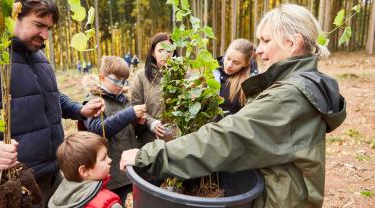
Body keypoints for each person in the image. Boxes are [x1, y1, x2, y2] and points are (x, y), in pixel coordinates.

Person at [120, 4, 346, 208]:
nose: (258, 49)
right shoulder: (298, 84)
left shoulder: (290, 96)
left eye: (266, 41)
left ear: (292, 43)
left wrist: (148, 156)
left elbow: (226, 139)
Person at [0, 0, 104, 206]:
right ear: (13, 16)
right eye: (39, 25)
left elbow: (49, 96)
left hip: (53, 179)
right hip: (12, 189)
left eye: (49, 28)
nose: (45, 35)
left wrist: (80, 110)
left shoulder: (39, 57)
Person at [82, 56, 146, 204]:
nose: (120, 85)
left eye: (124, 81)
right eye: (116, 80)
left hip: (128, 166)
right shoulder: (94, 101)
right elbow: (98, 129)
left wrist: (138, 123)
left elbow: (128, 130)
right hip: (111, 173)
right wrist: (129, 114)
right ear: (102, 77)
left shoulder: (123, 98)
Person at [48, 131, 122, 208]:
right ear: (83, 171)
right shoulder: (109, 204)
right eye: (104, 158)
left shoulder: (57, 199)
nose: (110, 160)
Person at [130, 32, 176, 145]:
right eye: (160, 51)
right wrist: (151, 123)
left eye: (169, 50)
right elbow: (135, 107)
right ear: (153, 53)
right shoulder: (141, 77)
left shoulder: (183, 76)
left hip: (176, 140)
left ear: (174, 52)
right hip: (149, 140)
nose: (165, 54)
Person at [213, 38, 256, 118]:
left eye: (236, 63)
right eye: (228, 58)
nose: (229, 65)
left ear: (246, 63)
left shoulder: (251, 81)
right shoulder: (211, 71)